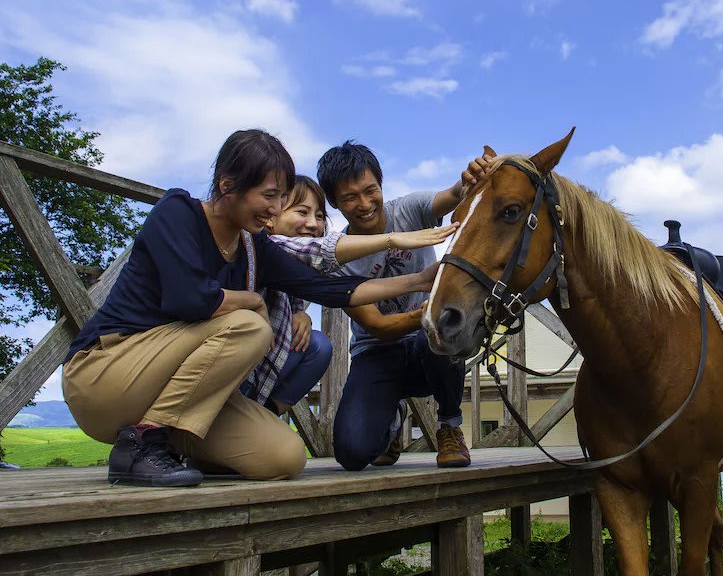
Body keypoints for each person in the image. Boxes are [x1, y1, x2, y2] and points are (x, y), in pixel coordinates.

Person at [62, 129, 455, 487]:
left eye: (282, 197)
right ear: (227, 185)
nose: (275, 208)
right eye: (270, 196)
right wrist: (251, 300)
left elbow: (331, 289)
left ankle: (174, 442)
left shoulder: (254, 248)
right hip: (108, 375)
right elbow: (189, 299)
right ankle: (142, 445)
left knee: (282, 458)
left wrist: (420, 281)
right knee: (250, 325)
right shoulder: (179, 212)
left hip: (178, 397)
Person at [309, 140, 491, 470]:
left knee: (442, 330)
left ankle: (449, 426)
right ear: (335, 203)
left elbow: (451, 196)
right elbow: (377, 326)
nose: (364, 203)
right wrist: (428, 310)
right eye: (350, 197)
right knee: (352, 453)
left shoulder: (407, 210)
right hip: (376, 351)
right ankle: (390, 423)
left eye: (370, 190)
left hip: (428, 346)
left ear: (381, 185)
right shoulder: (338, 255)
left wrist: (467, 183)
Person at [240, 175, 333, 416]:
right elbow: (318, 252)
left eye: (320, 216)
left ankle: (265, 416)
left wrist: (300, 311)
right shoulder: (264, 246)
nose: (313, 224)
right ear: (271, 217)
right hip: (234, 368)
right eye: (302, 212)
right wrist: (391, 239)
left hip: (258, 374)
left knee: (317, 346)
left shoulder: (298, 273)